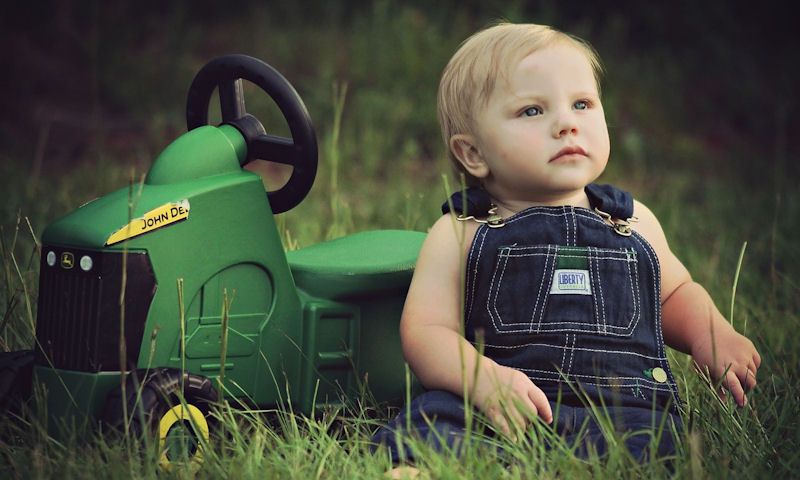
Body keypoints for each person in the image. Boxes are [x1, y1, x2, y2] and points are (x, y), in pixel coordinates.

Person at [372, 21, 762, 470]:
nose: (566, 124)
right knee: (431, 424)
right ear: (473, 153)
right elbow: (425, 330)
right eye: (532, 111)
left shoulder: (630, 220)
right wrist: (482, 380)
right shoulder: (464, 229)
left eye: (582, 104)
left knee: (657, 447)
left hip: (622, 406)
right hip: (497, 404)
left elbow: (672, 294)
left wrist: (712, 335)